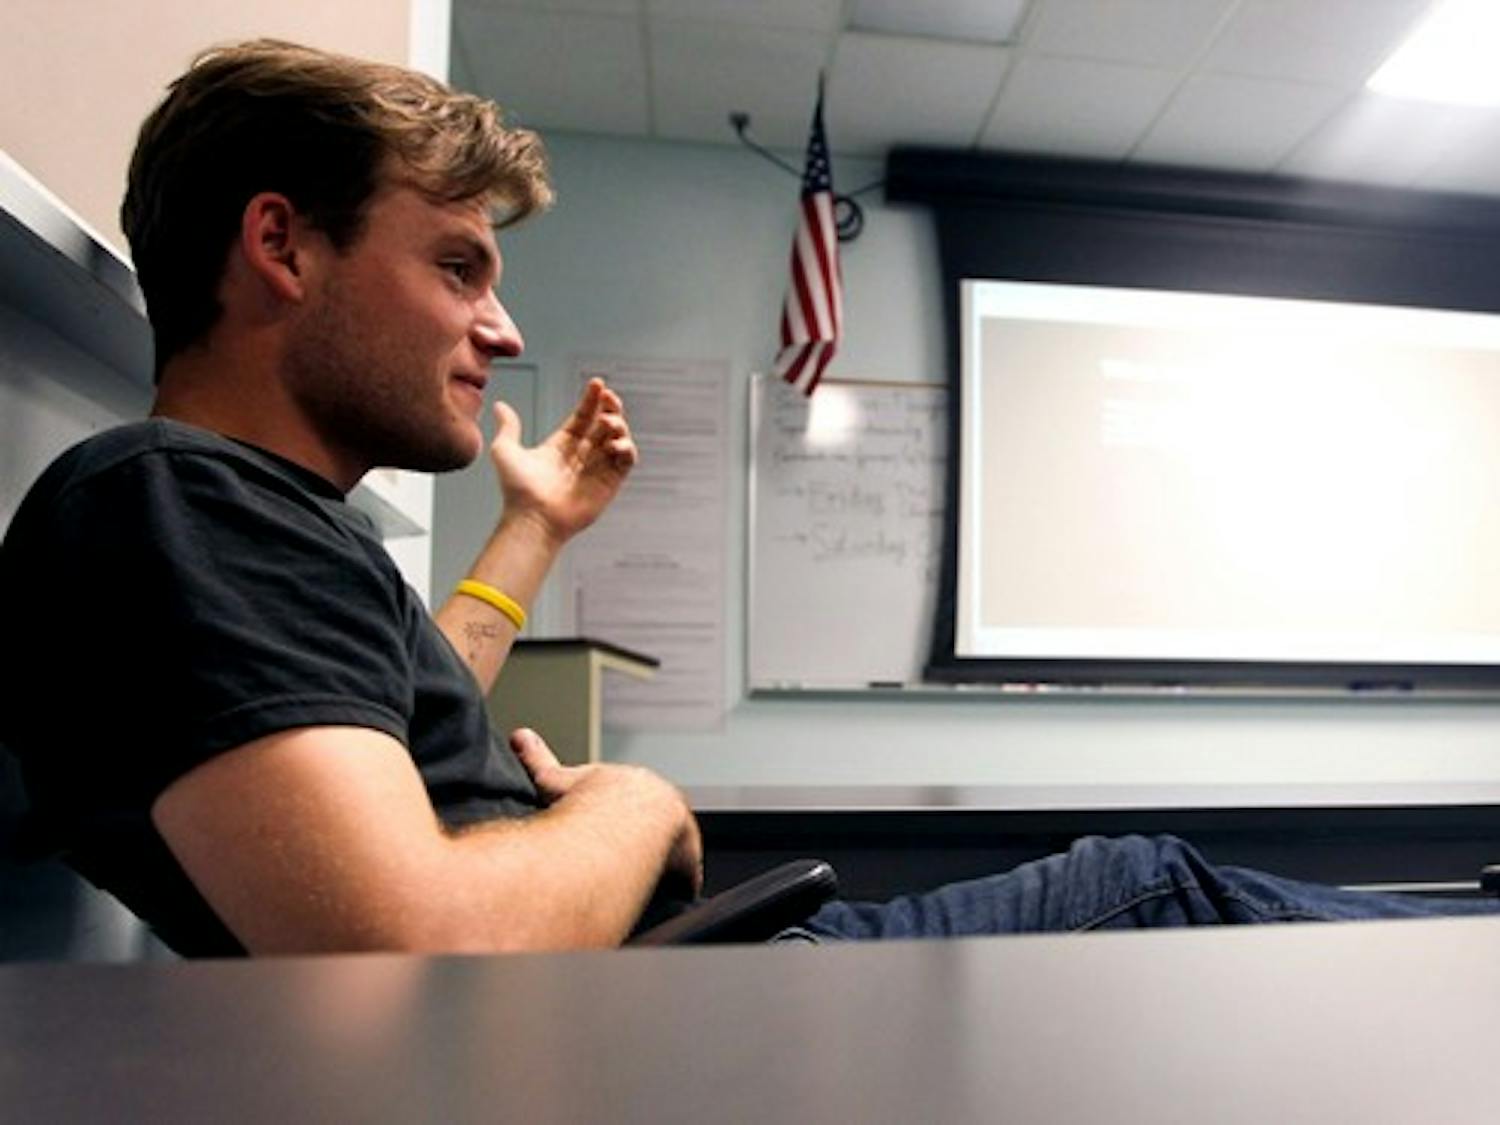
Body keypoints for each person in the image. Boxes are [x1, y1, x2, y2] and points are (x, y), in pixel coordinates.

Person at [1, 40, 1495, 958]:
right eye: (458, 265)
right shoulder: (166, 500)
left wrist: (534, 531)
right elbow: (412, 938)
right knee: (1149, 887)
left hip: (686, 968)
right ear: (282, 243)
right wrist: (636, 804)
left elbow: (364, 730)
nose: (503, 328)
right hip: (688, 998)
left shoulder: (225, 519)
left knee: (1150, 889)